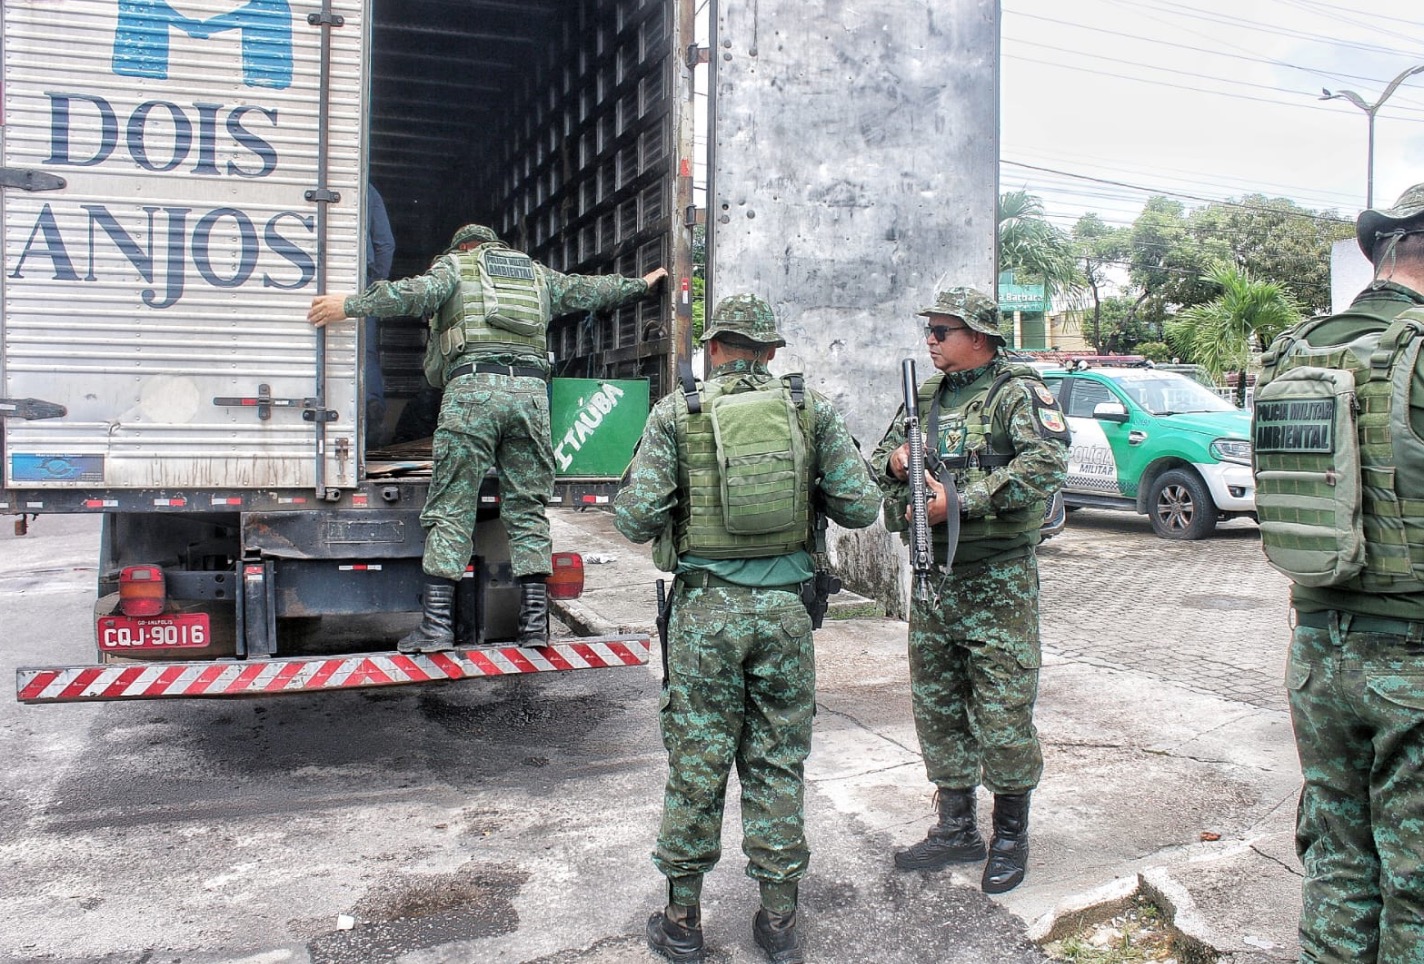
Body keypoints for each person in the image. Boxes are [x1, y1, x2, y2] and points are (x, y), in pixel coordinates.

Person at [614, 294, 882, 964]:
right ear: (770, 353)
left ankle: (681, 924)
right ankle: (780, 922)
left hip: (705, 613)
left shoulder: (678, 412)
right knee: (776, 762)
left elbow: (634, 520)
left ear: (713, 349)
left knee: (698, 765)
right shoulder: (810, 410)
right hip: (785, 617)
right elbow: (861, 505)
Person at [310, 223, 667, 653]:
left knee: (451, 506)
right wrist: (641, 284)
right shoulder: (537, 275)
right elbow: (590, 291)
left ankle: (437, 628)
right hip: (531, 398)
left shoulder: (455, 267)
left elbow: (411, 295)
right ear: (496, 246)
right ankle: (535, 627)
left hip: (473, 392)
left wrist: (347, 304)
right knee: (528, 508)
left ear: (463, 246)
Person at [1252, 184, 1424, 963]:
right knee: (1415, 882)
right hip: (1412, 655)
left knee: (1337, 854)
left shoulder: (1298, 347)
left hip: (1319, 647)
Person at [872, 286, 1068, 894]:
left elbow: (1047, 465)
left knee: (1003, 711)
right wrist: (900, 462)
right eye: (929, 331)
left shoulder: (1016, 391)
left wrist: (959, 500)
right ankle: (956, 826)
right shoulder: (928, 395)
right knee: (937, 704)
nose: (929, 341)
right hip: (935, 582)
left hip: (996, 580)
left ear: (977, 336)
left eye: (940, 331)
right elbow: (880, 456)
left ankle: (1011, 835)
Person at [363, 183, 395, 446]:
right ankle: (371, 405)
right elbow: (385, 243)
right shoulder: (369, 190)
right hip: (359, 279)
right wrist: (377, 283)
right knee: (366, 353)